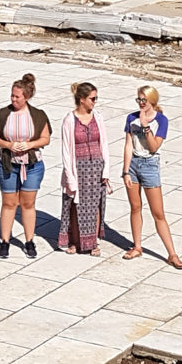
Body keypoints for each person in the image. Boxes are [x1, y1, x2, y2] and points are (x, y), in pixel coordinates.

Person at [0, 72, 51, 259]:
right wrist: (8, 145)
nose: (13, 99)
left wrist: (29, 144)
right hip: (8, 164)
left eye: (17, 96)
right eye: (12, 95)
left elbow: (45, 138)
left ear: (26, 97)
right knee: (9, 203)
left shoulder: (38, 115)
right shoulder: (4, 113)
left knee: (28, 203)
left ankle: (29, 241)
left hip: (32, 165)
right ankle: (5, 241)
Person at [122, 85, 182, 269]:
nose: (141, 103)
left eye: (144, 100)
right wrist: (125, 171)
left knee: (158, 213)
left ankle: (172, 254)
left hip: (150, 165)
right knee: (135, 207)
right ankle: (137, 246)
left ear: (152, 101)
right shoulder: (131, 118)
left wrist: (145, 127)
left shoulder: (161, 121)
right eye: (139, 99)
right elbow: (128, 145)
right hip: (133, 164)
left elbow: (154, 146)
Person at [57, 82, 110, 255]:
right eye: (92, 98)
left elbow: (104, 144)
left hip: (96, 167)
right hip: (78, 168)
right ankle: (74, 241)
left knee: (95, 205)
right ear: (82, 99)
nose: (95, 101)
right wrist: (70, 177)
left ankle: (93, 242)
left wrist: (106, 170)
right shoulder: (69, 120)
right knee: (75, 205)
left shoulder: (98, 117)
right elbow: (66, 151)